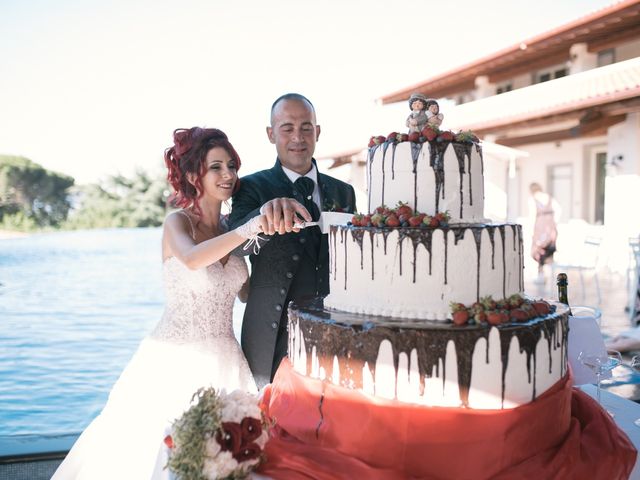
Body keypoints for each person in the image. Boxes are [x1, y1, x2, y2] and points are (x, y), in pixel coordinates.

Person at [52, 127, 268, 480]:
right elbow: (194, 259)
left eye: (231, 165)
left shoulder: (231, 228)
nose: (228, 174)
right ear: (191, 175)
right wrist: (249, 229)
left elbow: (245, 293)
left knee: (227, 457)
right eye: (216, 167)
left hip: (229, 360)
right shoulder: (177, 223)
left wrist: (269, 243)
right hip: (176, 359)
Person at [229, 93, 357, 388]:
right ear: (271, 134)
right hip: (270, 335)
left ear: (318, 131)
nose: (298, 137)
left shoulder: (344, 192)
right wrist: (262, 218)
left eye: (306, 127)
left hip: (334, 332)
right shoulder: (251, 186)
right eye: (287, 128)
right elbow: (235, 245)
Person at [529, 182, 560, 284]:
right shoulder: (549, 197)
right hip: (550, 230)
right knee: (548, 252)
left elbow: (532, 216)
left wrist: (532, 232)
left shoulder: (533, 199)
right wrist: (554, 223)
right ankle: (550, 277)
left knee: (538, 251)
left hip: (540, 229)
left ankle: (541, 275)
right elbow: (559, 210)